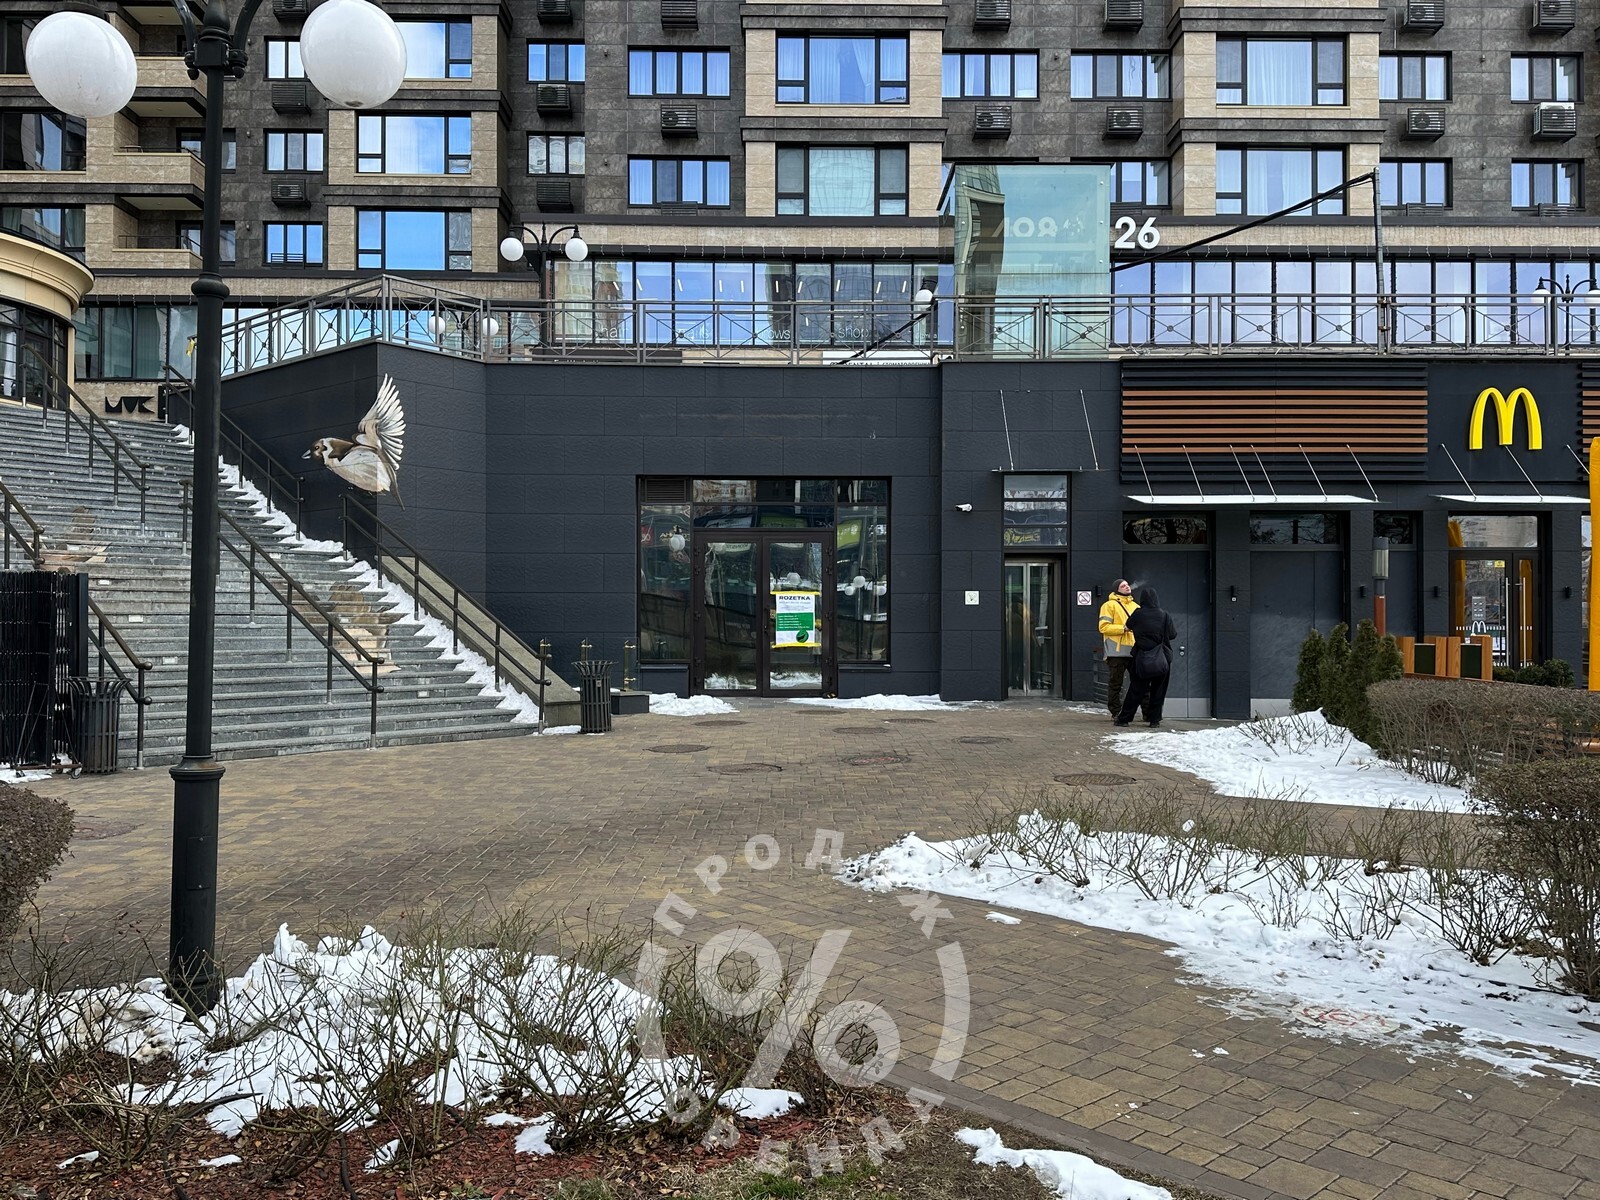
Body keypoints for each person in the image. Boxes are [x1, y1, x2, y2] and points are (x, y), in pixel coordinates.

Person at [1116, 587, 1177, 728]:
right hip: (1161, 658)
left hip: (1142, 657)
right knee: (1159, 690)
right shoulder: (1164, 615)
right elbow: (1173, 634)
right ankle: (1154, 720)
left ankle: (1124, 719)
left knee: (1136, 689)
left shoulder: (1138, 614)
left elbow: (1128, 625)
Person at [1097, 580, 1139, 719]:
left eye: (1127, 585)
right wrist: (1123, 628)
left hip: (1134, 651)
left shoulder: (1136, 606)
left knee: (1140, 683)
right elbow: (1103, 627)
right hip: (1116, 652)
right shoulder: (1109, 605)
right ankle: (1116, 712)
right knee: (1115, 684)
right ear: (1116, 589)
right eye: (1123, 586)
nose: (1127, 587)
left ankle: (1146, 712)